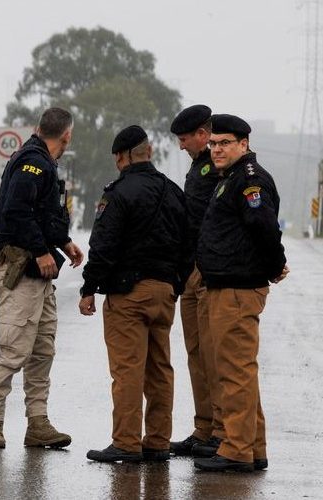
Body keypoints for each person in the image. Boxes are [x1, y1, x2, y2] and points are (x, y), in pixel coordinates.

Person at [80, 125, 191, 463]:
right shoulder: (173, 191)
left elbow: (103, 245)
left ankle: (126, 442)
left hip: (128, 294)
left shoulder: (118, 192)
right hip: (165, 292)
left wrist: (89, 287)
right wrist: (177, 284)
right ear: (149, 152)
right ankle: (157, 441)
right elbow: (189, 245)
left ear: (121, 156)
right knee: (160, 368)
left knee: (128, 369)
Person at [0, 107, 84, 449]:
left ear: (39, 128)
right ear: (67, 135)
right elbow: (16, 210)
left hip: (39, 275)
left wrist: (64, 243)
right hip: (21, 268)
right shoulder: (32, 162)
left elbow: (43, 215)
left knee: (42, 351)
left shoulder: (44, 162)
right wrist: (40, 250)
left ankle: (38, 423)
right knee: (13, 349)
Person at [193, 114, 288, 472]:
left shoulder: (249, 180)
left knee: (233, 373)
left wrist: (275, 265)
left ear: (243, 145)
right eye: (213, 144)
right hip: (226, 284)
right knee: (240, 372)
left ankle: (235, 449)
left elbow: (264, 226)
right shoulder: (230, 178)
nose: (216, 149)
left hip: (236, 288)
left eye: (224, 143)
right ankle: (253, 447)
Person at [167, 105, 226, 457]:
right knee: (196, 354)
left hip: (208, 270)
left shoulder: (218, 166)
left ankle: (221, 431)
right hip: (191, 270)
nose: (181, 145)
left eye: (185, 138)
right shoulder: (197, 167)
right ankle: (204, 428)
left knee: (215, 355)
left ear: (203, 134)